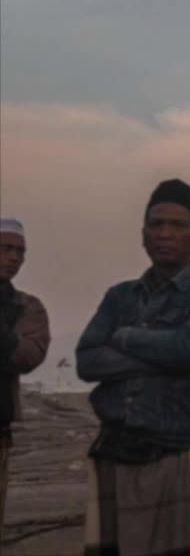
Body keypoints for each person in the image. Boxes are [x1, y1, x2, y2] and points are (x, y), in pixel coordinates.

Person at [75, 179, 190, 556]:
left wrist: (125, 336)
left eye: (178, 226)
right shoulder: (119, 295)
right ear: (143, 235)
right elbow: (86, 360)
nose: (165, 234)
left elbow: (188, 347)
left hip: (175, 450)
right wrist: (169, 362)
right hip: (113, 448)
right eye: (156, 225)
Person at [0, 217, 51, 540]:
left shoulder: (27, 307)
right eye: (5, 249)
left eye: (19, 252)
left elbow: (28, 355)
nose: (14, 258)